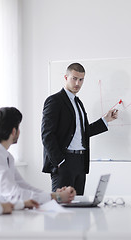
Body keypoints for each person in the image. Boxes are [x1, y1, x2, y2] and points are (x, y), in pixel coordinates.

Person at [41, 63, 118, 195]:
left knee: (80, 207)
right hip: (64, 162)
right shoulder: (54, 100)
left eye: (81, 79)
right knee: (62, 208)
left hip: (80, 163)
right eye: (74, 78)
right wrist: (59, 161)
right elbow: (47, 135)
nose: (77, 83)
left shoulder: (78, 103)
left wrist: (105, 120)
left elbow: (82, 132)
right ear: (66, 77)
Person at [0, 107, 76, 206]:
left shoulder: (6, 156)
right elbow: (14, 194)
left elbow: (24, 187)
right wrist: (57, 197)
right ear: (13, 131)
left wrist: (55, 195)